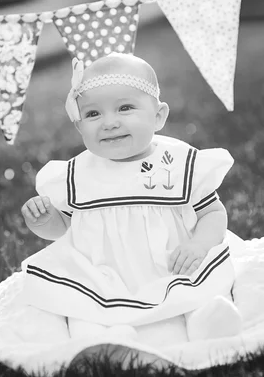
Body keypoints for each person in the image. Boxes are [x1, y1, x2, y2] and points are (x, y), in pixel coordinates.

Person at [18, 52, 242, 343]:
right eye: (93, 114)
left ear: (158, 116)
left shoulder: (178, 163)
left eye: (125, 108)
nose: (109, 123)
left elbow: (212, 212)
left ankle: (206, 319)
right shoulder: (77, 173)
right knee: (82, 302)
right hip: (103, 271)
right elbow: (63, 229)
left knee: (198, 286)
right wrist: (45, 220)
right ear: (79, 125)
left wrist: (199, 244)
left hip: (174, 260)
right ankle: (102, 339)